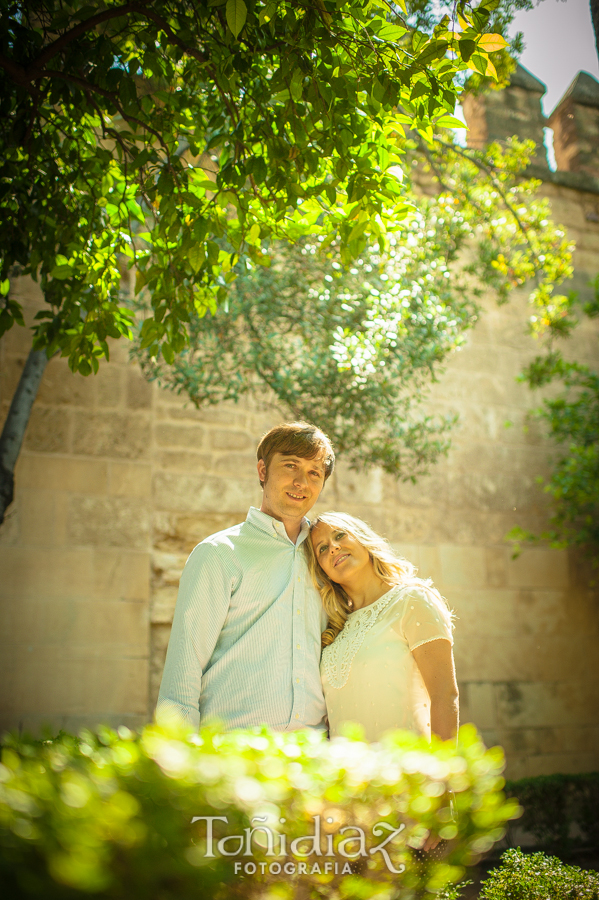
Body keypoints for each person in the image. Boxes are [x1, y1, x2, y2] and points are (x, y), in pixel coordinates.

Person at [156, 422, 335, 732]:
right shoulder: (218, 553)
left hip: (312, 756)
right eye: (290, 465)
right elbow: (182, 674)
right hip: (234, 752)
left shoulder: (329, 559)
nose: (301, 482)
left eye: (314, 473)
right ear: (262, 470)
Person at [305, 512, 459, 744]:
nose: (334, 547)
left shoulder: (412, 600)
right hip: (348, 777)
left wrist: (445, 775)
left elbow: (445, 695)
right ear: (322, 569)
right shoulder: (333, 628)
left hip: (407, 774)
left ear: (363, 540)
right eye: (322, 549)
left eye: (340, 535)